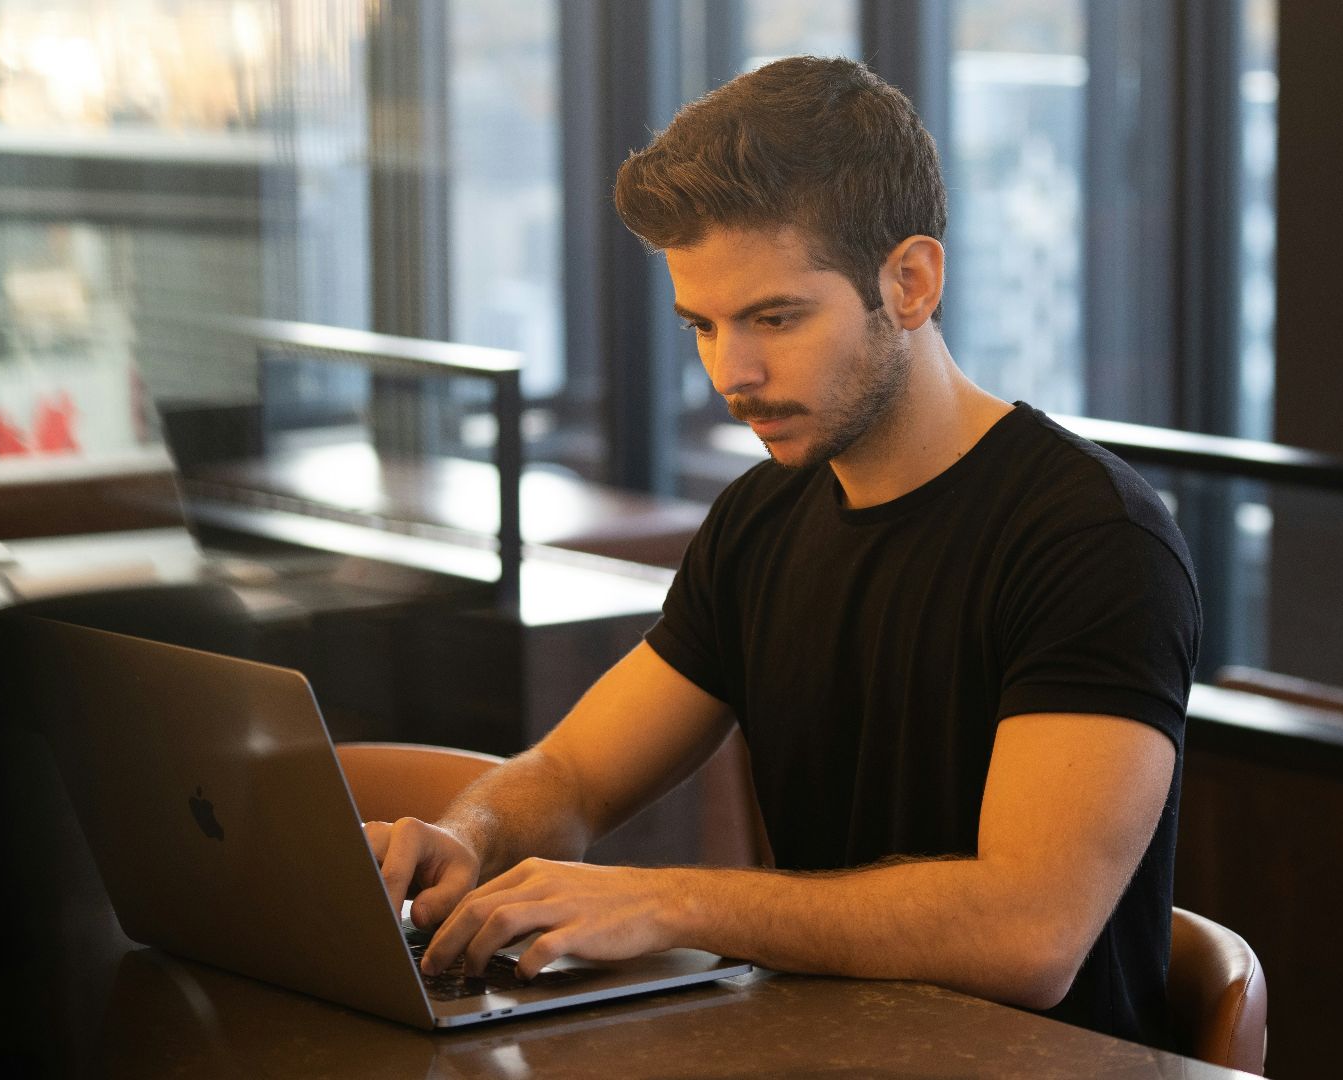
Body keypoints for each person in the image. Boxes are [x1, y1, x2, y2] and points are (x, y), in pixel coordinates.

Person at [367, 55, 1200, 1047]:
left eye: (774, 317)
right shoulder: (759, 520)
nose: (732, 372)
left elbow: (1028, 933)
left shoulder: (1092, 537)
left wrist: (673, 903)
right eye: (703, 327)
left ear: (912, 282)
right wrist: (466, 839)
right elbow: (574, 778)